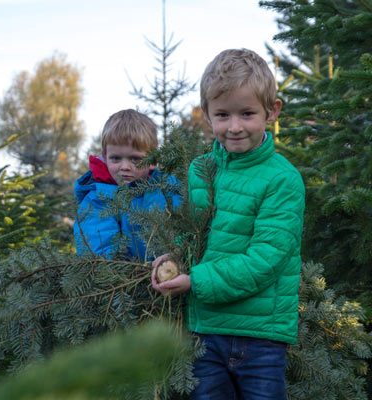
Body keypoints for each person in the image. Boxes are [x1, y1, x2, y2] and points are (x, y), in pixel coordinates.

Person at [152, 49, 305, 399]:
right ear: (207, 115)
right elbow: (191, 236)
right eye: (222, 115)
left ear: (272, 111)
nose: (234, 126)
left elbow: (265, 260)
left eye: (247, 113)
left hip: (262, 337)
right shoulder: (201, 170)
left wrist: (194, 280)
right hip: (205, 331)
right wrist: (170, 259)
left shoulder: (283, 180)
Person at [74, 108, 180, 261]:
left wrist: (175, 256)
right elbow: (98, 247)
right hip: (124, 279)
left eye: (135, 159)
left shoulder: (167, 187)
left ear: (153, 160)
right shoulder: (97, 199)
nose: (124, 167)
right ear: (105, 156)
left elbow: (184, 226)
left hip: (169, 273)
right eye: (116, 158)